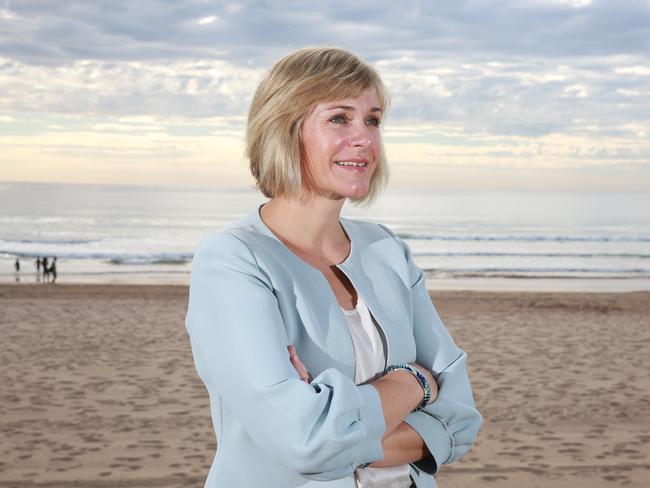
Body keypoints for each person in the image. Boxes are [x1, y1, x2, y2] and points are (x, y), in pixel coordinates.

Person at [185, 47, 482, 488]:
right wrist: (417, 381)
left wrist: (341, 425)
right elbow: (308, 443)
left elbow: (459, 420)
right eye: (339, 118)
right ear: (285, 129)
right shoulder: (232, 261)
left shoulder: (386, 249)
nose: (364, 137)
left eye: (373, 120)